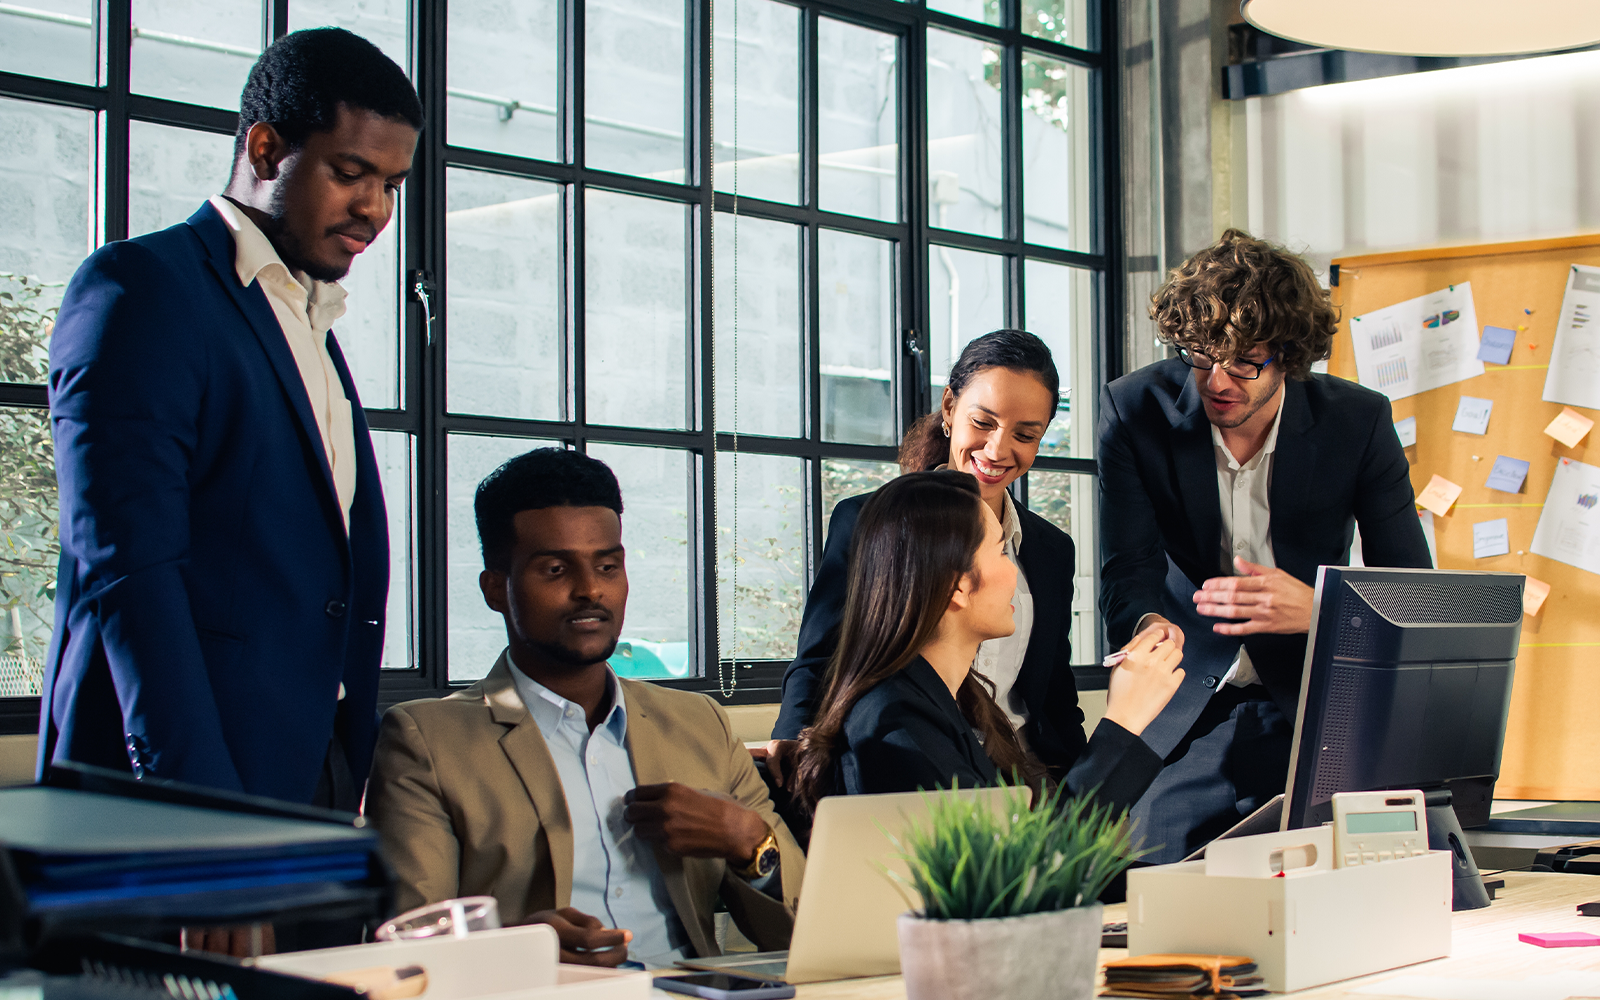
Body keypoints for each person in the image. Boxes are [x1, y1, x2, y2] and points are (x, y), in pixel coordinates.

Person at [39, 28, 420, 807]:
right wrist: (200, 820)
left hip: (309, 776)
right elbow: (129, 571)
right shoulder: (141, 290)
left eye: (392, 184)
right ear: (266, 147)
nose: (374, 209)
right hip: (183, 794)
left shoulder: (308, 316)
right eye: (351, 173)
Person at [365, 449, 803, 969]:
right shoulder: (426, 742)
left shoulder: (698, 724)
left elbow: (810, 931)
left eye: (607, 566)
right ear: (494, 590)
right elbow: (407, 953)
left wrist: (751, 842)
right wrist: (518, 949)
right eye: (555, 569)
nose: (590, 589)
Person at [1098, 229, 1432, 862]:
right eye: (1199, 357)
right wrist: (1146, 626)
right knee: (1137, 871)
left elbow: (1415, 591)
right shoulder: (1132, 408)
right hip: (1190, 697)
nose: (1217, 381)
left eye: (1244, 360)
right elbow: (1128, 566)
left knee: (1352, 872)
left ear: (1289, 354)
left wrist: (1322, 610)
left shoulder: (1357, 422)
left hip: (1316, 699)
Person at [766, 329, 1180, 810]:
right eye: (983, 422)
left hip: (1022, 770)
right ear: (949, 409)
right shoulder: (873, 524)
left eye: (1026, 435)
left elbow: (1052, 695)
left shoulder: (1050, 548)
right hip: (927, 764)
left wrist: (1088, 776)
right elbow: (824, 652)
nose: (998, 449)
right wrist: (792, 735)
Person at [788, 471, 1183, 812]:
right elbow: (1021, 874)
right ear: (957, 585)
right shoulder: (896, 723)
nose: (1014, 573)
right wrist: (1124, 720)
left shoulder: (950, 700)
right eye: (1000, 552)